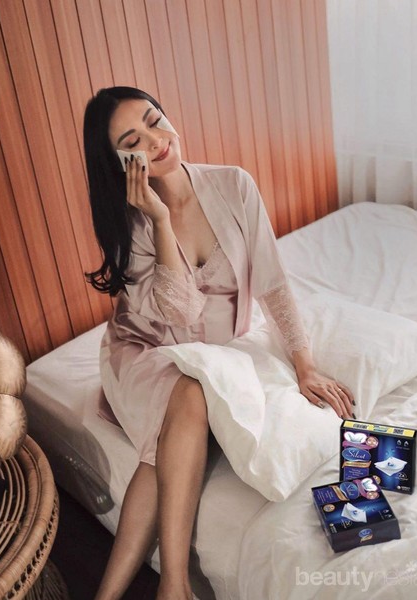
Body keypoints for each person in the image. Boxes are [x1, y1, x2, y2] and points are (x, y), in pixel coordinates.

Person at [83, 86, 355, 600]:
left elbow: (272, 282)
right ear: (120, 164)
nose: (156, 141)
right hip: (148, 349)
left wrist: (305, 365)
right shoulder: (133, 225)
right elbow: (181, 315)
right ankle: (174, 584)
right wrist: (161, 220)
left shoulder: (234, 184)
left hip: (211, 351)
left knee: (177, 420)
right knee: (186, 398)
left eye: (154, 120)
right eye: (133, 141)